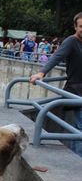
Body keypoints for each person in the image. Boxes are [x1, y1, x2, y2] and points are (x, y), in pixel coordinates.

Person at [30, 12, 82, 157]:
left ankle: (76, 156)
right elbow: (57, 57)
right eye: (81, 26)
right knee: (80, 128)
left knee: (78, 129)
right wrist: (41, 73)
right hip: (78, 91)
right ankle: (77, 160)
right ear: (75, 27)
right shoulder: (71, 41)